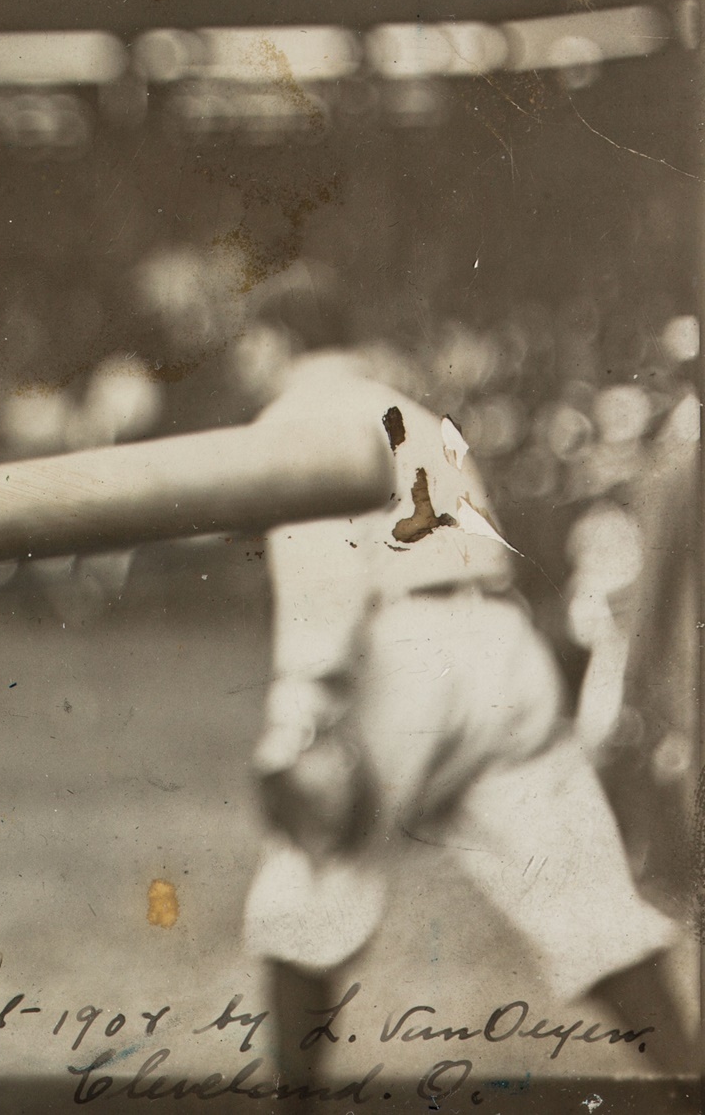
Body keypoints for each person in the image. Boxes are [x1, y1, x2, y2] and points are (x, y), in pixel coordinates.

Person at [233, 272, 691, 1089]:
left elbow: (321, 580)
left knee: (305, 884)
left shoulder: (297, 417)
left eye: (251, 343)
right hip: (500, 643)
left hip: (403, 653)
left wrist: (295, 721)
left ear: (278, 340)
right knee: (587, 901)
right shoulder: (404, 405)